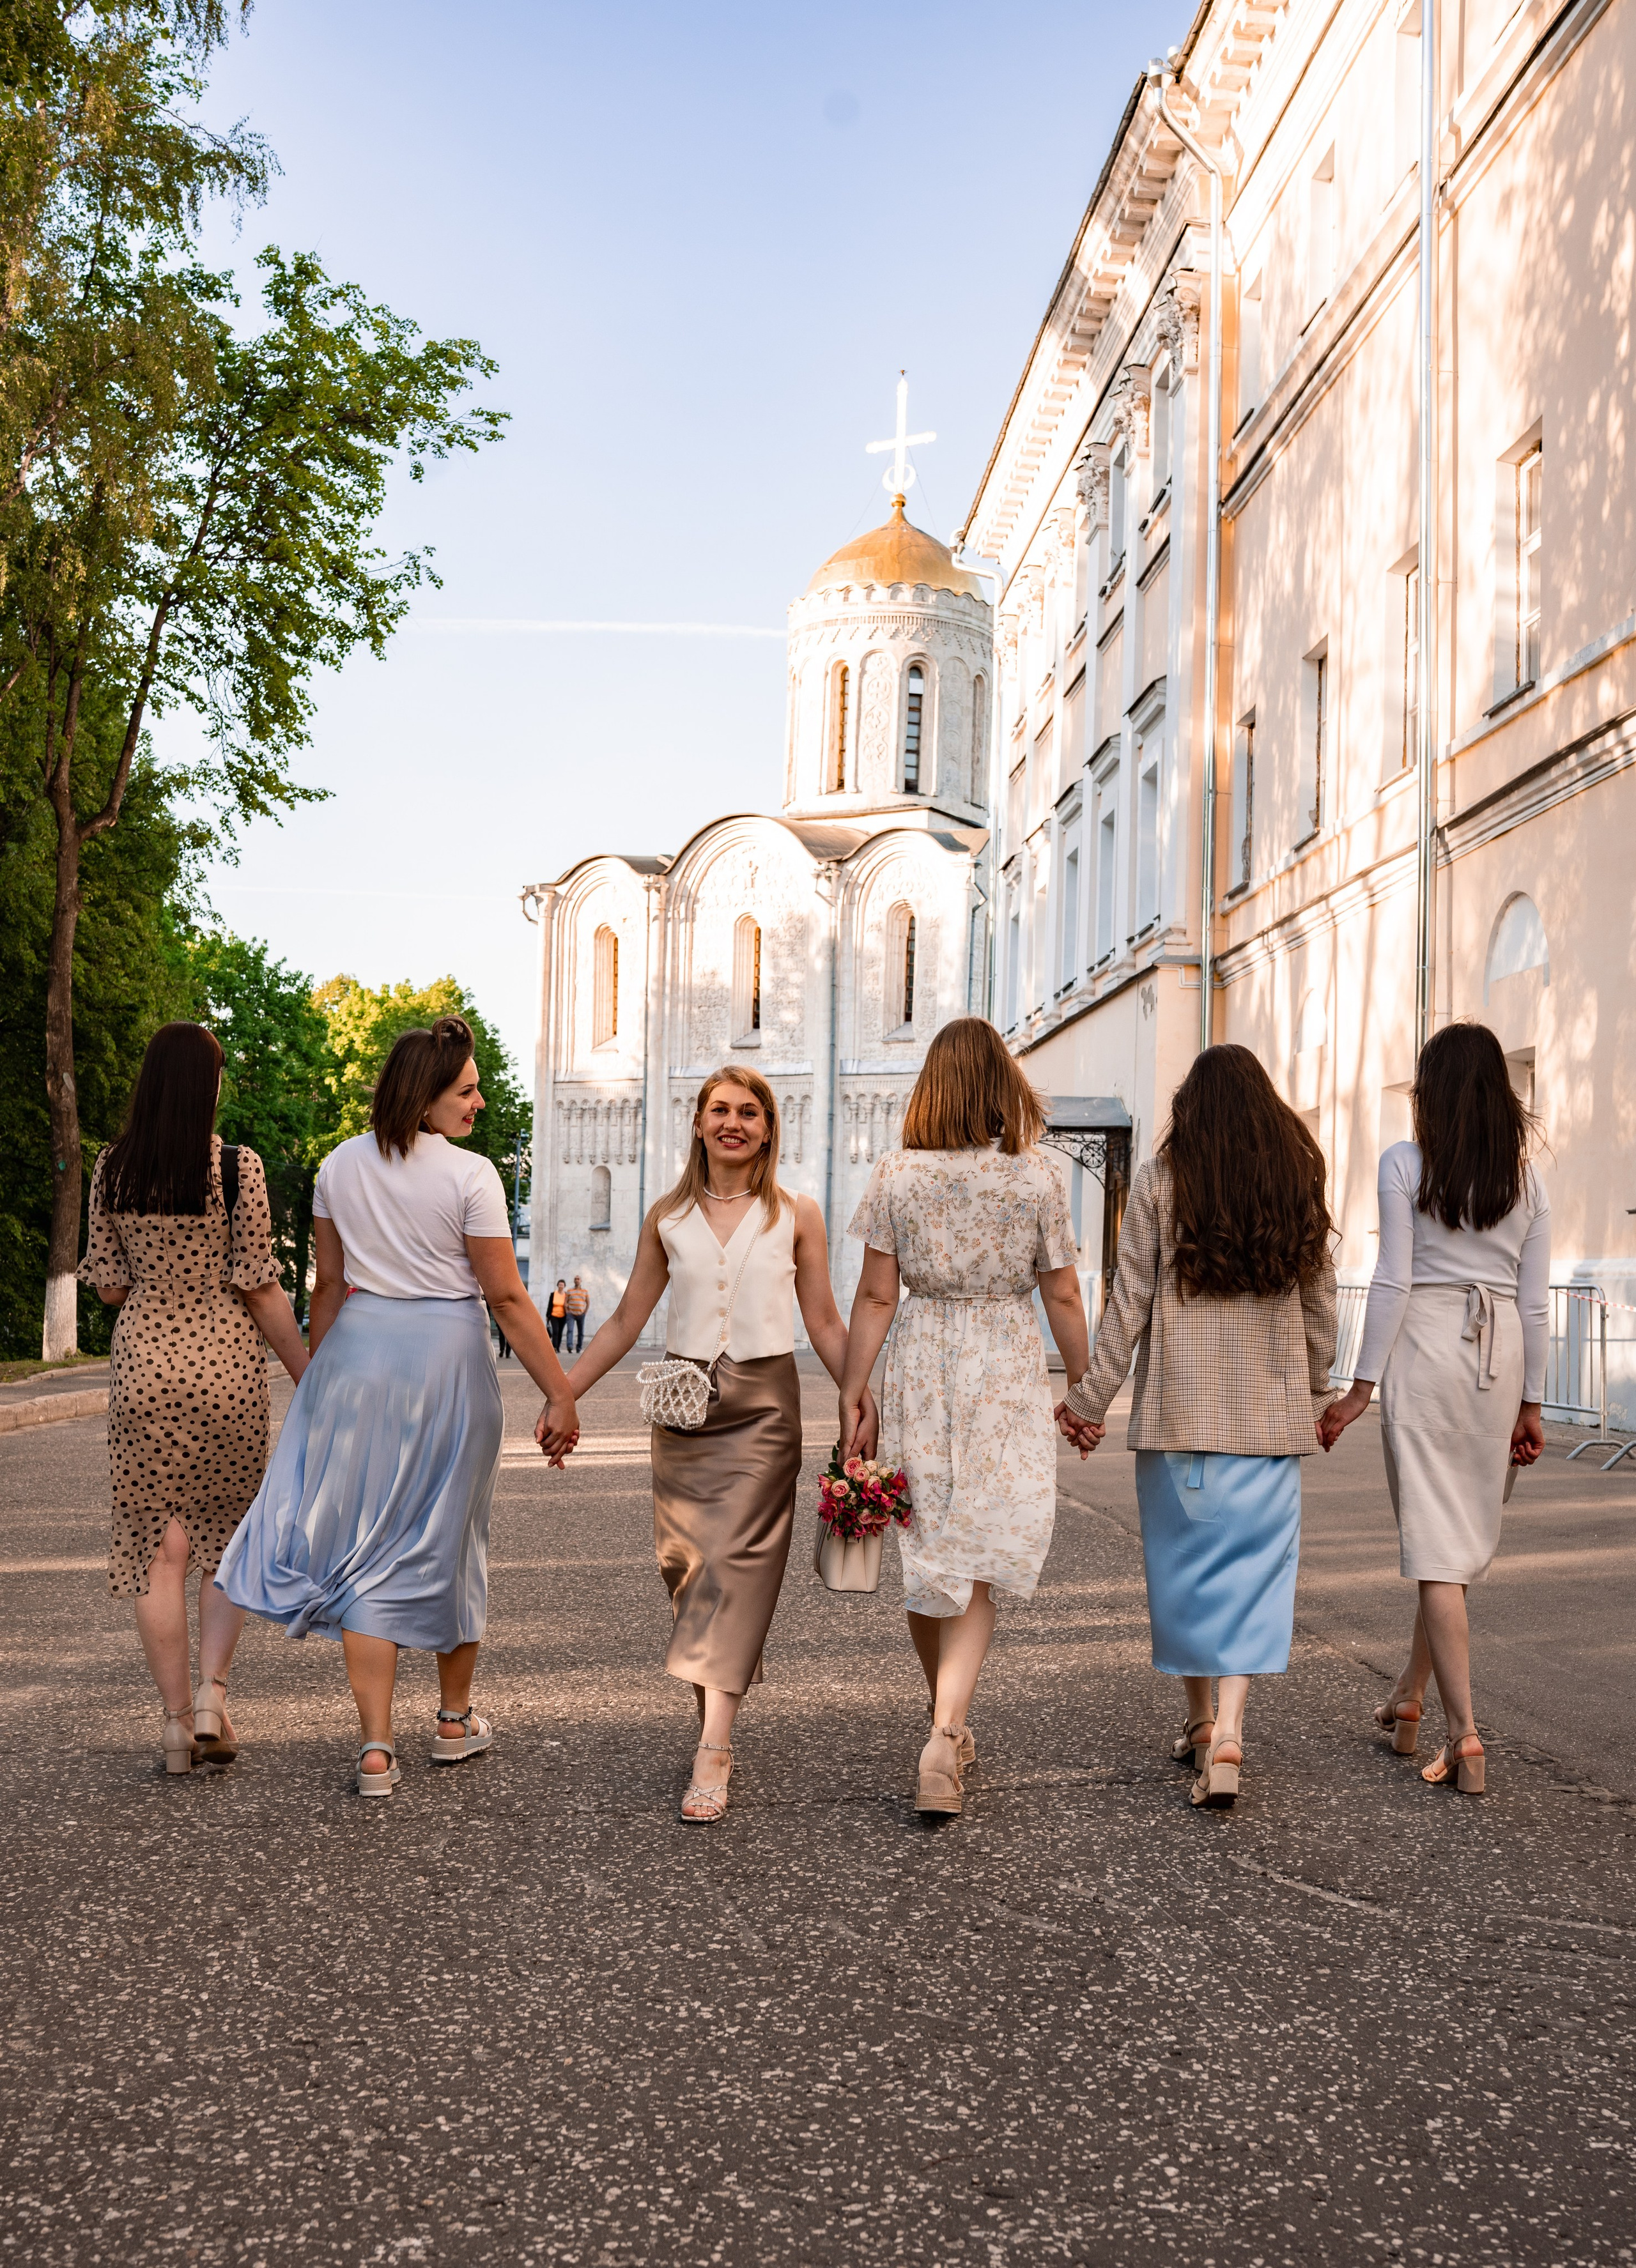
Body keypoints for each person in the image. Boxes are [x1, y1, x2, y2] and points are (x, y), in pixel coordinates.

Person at [218, 1017, 579, 1797]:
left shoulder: (337, 1166)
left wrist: (319, 1377)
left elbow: (326, 1282)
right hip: (446, 1356)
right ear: (425, 1098)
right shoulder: (470, 1175)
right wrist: (559, 1388)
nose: (479, 1102)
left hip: (357, 1356)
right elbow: (507, 1296)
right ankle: (452, 1721)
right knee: (453, 1537)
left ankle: (376, 1749)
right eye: (467, 1089)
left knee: (365, 1550)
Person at [560, 1065, 871, 1823]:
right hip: (685, 1413)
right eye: (720, 1110)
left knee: (739, 1568)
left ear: (769, 1127)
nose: (735, 1122)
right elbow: (627, 1321)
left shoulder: (797, 1212)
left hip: (765, 1412)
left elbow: (825, 1321)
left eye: (750, 1112)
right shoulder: (666, 1216)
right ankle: (715, 1715)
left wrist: (861, 1395)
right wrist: (564, 1391)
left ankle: (715, 1749)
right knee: (692, 1572)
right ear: (698, 1122)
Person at [1063, 1045, 1338, 1811]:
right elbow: (1321, 1301)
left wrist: (1088, 1402)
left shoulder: (1158, 1180)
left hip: (1180, 1418)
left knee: (1185, 1577)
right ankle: (1230, 1732)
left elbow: (1129, 1302)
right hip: (1269, 1421)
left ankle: (1197, 1716)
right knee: (1254, 1581)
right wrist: (1316, 1389)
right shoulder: (1296, 1181)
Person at [838, 1018, 1091, 1818]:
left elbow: (878, 1294)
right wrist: (1084, 1388)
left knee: (929, 1544)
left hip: (922, 1359)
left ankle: (942, 1716)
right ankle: (945, 1733)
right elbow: (1063, 1293)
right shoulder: (1038, 1176)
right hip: (1003, 1366)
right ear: (1000, 1087)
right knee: (974, 1550)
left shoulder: (895, 1175)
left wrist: (855, 1387)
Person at [1319, 1021, 1548, 1796]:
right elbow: (1536, 1304)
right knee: (1447, 1543)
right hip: (1499, 1355)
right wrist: (1532, 1403)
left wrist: (1359, 1389)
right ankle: (1409, 1697)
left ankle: (1464, 1734)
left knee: (1432, 1544)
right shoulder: (1528, 1182)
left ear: (1432, 1093)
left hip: (1426, 1351)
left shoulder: (1403, 1164)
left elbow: (1391, 1281)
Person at [78, 1022, 309, 1775]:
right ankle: (213, 1693)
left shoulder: (111, 1169)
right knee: (221, 1542)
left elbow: (110, 1284)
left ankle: (178, 1725)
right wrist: (310, 1373)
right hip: (226, 1373)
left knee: (158, 1549)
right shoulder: (240, 1169)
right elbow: (260, 1284)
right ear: (207, 1086)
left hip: (145, 1367)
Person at [564, 1275, 590, 1353]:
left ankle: (579, 1348)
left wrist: (585, 1312)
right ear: (574, 1281)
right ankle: (570, 1346)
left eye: (578, 1279)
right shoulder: (569, 1291)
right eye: (575, 1279)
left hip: (581, 1314)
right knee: (570, 1330)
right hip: (571, 1314)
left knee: (581, 1332)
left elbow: (588, 1303)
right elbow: (566, 1302)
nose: (577, 1280)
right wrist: (567, 1311)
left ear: (581, 1281)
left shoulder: (585, 1291)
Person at [548, 1280, 568, 1349]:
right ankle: (554, 1347)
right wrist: (548, 1315)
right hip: (554, 1315)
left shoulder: (566, 1295)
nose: (561, 1286)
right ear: (558, 1285)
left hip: (563, 1316)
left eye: (562, 1285)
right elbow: (550, 1305)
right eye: (560, 1285)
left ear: (564, 1286)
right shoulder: (553, 1294)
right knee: (555, 1331)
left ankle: (558, 1347)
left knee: (560, 1332)